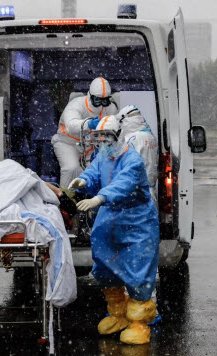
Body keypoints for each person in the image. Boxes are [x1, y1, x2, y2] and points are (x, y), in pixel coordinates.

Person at [68, 116, 159, 345]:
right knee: (105, 264)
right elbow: (94, 172)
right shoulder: (103, 155)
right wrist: (82, 181)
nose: (102, 142)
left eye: (106, 137)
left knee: (137, 269)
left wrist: (100, 197)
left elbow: (124, 184)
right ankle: (117, 314)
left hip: (136, 220)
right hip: (110, 217)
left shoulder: (132, 160)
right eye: (98, 138)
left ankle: (139, 323)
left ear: (118, 136)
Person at [51, 77, 118, 188]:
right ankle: (65, 198)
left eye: (104, 100)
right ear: (90, 95)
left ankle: (90, 199)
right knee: (71, 168)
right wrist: (88, 124)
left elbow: (115, 125)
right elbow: (71, 125)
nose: (101, 104)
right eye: (97, 100)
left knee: (96, 172)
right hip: (67, 143)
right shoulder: (76, 104)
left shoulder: (109, 108)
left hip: (90, 146)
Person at [116, 105, 158, 203]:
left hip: (134, 191)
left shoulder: (131, 139)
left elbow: (123, 165)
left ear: (124, 120)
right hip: (149, 189)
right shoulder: (150, 136)